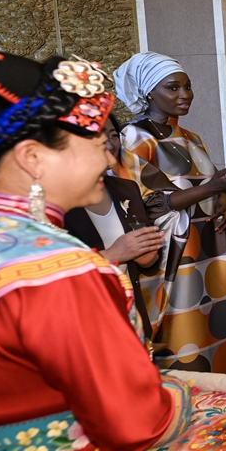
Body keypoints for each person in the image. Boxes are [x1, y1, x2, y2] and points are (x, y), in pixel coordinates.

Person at [0, 50, 190, 451]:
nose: (110, 160)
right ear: (32, 158)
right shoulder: (59, 268)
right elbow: (136, 423)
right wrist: (177, 392)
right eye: (97, 143)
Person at [113, 52, 226, 373]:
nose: (184, 95)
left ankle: (224, 390)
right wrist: (212, 189)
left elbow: (208, 184)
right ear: (149, 92)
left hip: (211, 246)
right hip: (174, 253)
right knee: (183, 330)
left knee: (220, 322)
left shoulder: (191, 137)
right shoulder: (133, 137)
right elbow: (145, 203)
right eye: (173, 88)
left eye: (187, 87)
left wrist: (224, 199)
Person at [64, 115, 163, 340]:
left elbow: (144, 258)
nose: (110, 147)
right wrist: (113, 254)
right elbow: (50, 271)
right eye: (98, 139)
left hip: (130, 313)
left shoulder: (126, 189)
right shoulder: (52, 202)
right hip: (84, 321)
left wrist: (147, 257)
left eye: (113, 136)